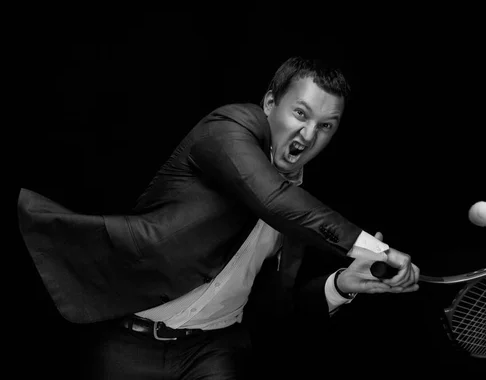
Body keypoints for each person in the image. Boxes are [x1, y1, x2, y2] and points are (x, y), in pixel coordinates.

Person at [17, 56, 419, 379]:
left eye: (325, 126)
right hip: (128, 345)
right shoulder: (228, 128)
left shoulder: (303, 213)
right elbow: (271, 199)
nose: (309, 135)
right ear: (268, 105)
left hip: (214, 351)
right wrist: (376, 248)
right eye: (300, 113)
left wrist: (342, 284)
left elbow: (273, 310)